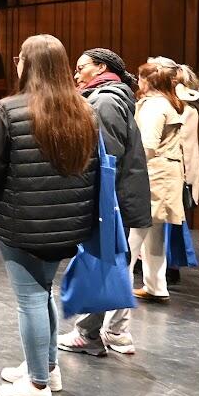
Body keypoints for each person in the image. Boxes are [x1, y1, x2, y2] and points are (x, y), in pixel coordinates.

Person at [0, 34, 97, 396]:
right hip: (68, 224)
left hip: (22, 223)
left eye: (19, 59)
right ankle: (49, 369)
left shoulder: (9, 110)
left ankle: (37, 385)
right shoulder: (85, 111)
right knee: (42, 293)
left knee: (30, 300)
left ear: (27, 64)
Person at [58, 48, 151, 357]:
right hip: (112, 196)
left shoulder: (106, 100)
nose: (76, 73)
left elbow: (105, 156)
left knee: (99, 260)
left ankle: (88, 333)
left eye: (81, 67)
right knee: (104, 261)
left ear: (100, 67)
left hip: (109, 197)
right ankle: (104, 332)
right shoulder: (108, 96)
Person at [132, 58, 189, 302]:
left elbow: (147, 146)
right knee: (154, 232)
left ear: (148, 81)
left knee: (137, 228)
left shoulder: (154, 106)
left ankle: (118, 281)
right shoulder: (168, 102)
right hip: (167, 173)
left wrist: (132, 172)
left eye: (140, 77)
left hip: (154, 174)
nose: (138, 81)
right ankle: (156, 286)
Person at [154, 58, 199, 285]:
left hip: (170, 170)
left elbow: (185, 146)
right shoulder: (168, 102)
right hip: (167, 169)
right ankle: (160, 266)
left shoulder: (181, 106)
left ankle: (168, 267)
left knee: (167, 220)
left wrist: (186, 178)